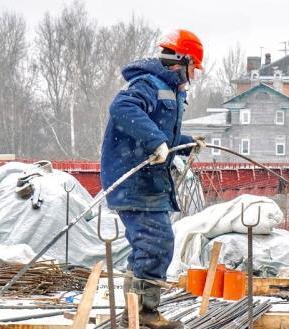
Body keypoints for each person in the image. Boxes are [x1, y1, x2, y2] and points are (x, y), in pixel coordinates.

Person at [100, 28, 206, 329]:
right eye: (193, 68)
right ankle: (143, 315)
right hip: (134, 181)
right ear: (181, 62)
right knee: (155, 242)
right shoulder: (147, 84)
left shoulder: (169, 89)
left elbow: (161, 132)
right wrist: (154, 141)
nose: (192, 76)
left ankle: (136, 314)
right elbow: (123, 108)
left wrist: (184, 141)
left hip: (151, 181)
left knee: (151, 244)